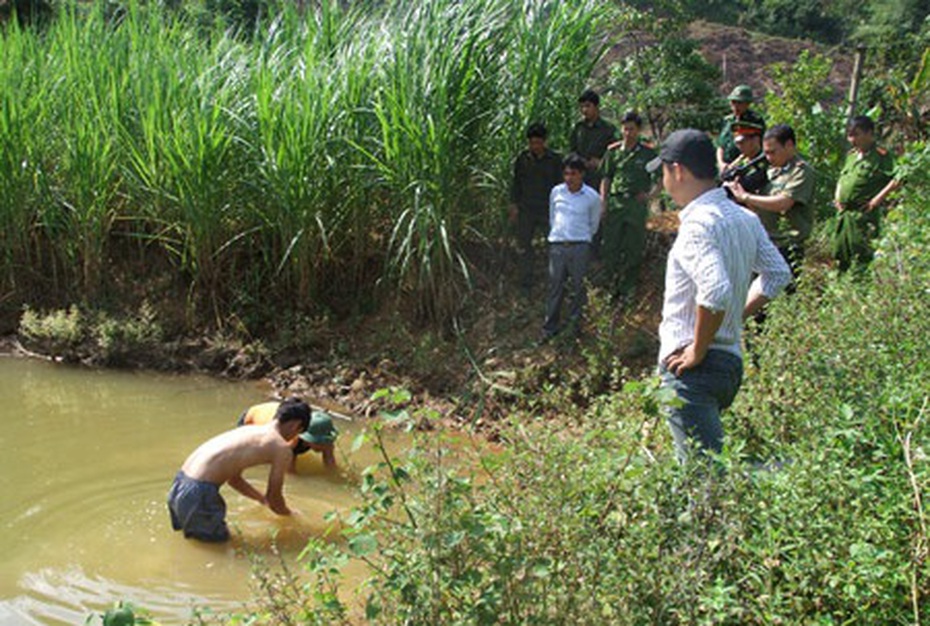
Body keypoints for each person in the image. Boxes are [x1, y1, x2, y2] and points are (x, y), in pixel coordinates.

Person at [647, 129, 791, 463]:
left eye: (664, 171)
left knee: (704, 481)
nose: (664, 181)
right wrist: (734, 316)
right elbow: (778, 274)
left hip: (694, 371)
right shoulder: (745, 218)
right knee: (704, 467)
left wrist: (697, 348)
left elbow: (715, 290)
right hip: (729, 366)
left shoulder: (698, 225)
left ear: (678, 170)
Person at [167, 398, 311, 542]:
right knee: (219, 551)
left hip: (179, 485)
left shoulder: (249, 430)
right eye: (299, 432)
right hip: (200, 494)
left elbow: (234, 480)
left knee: (201, 545)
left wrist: (262, 500)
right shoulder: (281, 448)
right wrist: (292, 517)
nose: (294, 438)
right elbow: (275, 498)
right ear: (296, 425)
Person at [725, 124, 815, 280]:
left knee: (784, 294)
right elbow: (759, 206)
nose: (768, 157)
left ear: (789, 145)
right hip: (763, 240)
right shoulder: (769, 171)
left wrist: (746, 196)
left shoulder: (801, 172)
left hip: (787, 246)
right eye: (765, 153)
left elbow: (784, 203)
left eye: (772, 152)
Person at [542, 153, 602, 342]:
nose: (569, 178)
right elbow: (553, 217)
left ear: (582, 174)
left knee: (578, 288)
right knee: (555, 288)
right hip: (558, 247)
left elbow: (594, 224)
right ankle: (550, 328)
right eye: (566, 174)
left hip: (579, 247)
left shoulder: (592, 197)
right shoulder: (556, 192)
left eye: (573, 174)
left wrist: (580, 239)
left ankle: (575, 328)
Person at [598, 111, 657, 300]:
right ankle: (610, 287)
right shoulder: (613, 151)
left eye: (632, 129)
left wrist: (649, 196)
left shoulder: (648, 153)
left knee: (634, 247)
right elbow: (606, 178)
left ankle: (627, 289)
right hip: (616, 203)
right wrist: (603, 202)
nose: (628, 133)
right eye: (625, 128)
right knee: (610, 247)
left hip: (635, 205)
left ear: (638, 130)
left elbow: (661, 178)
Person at [832, 115, 900, 273]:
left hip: (863, 216)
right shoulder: (851, 156)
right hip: (844, 215)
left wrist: (877, 199)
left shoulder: (881, 156)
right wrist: (837, 196)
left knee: (862, 258)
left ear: (869, 133)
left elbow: (898, 178)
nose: (852, 139)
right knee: (840, 255)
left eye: (856, 134)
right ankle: (842, 290)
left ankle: (860, 290)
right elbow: (843, 178)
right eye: (850, 134)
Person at [509, 122, 564, 294]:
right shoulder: (522, 159)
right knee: (524, 246)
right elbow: (516, 184)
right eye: (532, 143)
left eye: (538, 143)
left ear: (544, 141)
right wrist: (513, 204)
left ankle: (555, 282)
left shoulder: (555, 160)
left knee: (553, 246)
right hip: (526, 209)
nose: (535, 146)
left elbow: (561, 185)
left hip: (548, 210)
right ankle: (526, 282)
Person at [238, 398, 338, 469]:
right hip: (252, 419)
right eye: (319, 442)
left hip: (280, 413)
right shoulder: (290, 438)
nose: (323, 446)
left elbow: (331, 466)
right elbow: (289, 472)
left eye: (326, 441)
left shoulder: (326, 438)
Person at [569, 89, 618, 191]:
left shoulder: (608, 129)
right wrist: (580, 161)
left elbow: (616, 154)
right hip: (580, 178)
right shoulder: (578, 128)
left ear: (596, 107)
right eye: (582, 107)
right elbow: (572, 151)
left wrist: (601, 162)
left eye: (587, 106)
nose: (584, 110)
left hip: (600, 179)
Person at [716, 84, 766, 173]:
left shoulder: (754, 121)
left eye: (739, 103)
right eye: (733, 102)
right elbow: (721, 145)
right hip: (724, 168)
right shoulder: (727, 120)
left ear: (747, 104)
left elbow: (753, 147)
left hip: (745, 167)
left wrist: (734, 165)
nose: (735, 106)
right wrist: (721, 163)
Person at [720, 122, 767, 198]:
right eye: (737, 143)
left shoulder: (765, 161)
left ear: (756, 140)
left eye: (742, 142)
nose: (739, 146)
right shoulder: (741, 161)